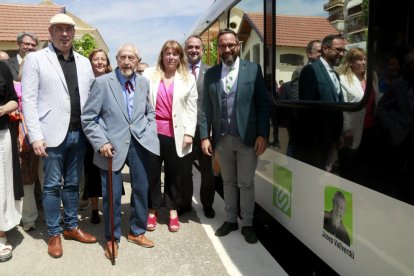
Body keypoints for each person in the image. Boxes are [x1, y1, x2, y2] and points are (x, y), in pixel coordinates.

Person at [21, 13, 97, 259]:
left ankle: (71, 227)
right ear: (51, 32)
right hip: (51, 136)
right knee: (52, 186)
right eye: (60, 29)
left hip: (79, 135)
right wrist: (35, 136)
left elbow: (92, 99)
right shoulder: (36, 59)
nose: (65, 34)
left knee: (73, 185)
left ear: (74, 33)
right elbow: (29, 101)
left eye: (69, 29)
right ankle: (54, 233)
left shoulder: (85, 62)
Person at [82, 43, 159, 259]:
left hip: (140, 144)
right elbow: (89, 118)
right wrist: (101, 142)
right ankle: (112, 238)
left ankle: (137, 231)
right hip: (110, 148)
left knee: (141, 189)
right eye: (123, 57)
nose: (127, 61)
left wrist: (150, 131)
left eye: (131, 57)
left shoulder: (144, 82)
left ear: (137, 60)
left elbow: (150, 112)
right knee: (112, 196)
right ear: (116, 59)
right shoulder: (102, 83)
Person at [199, 28, 269, 244]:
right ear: (218, 48)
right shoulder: (211, 74)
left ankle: (247, 223)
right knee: (228, 181)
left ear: (238, 45)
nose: (227, 49)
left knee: (246, 183)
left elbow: (262, 104)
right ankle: (231, 219)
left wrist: (262, 134)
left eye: (231, 45)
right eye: (222, 46)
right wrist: (204, 136)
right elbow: (205, 109)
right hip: (222, 139)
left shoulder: (253, 70)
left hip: (247, 138)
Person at [144, 40, 197, 233]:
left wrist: (189, 133)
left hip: (177, 134)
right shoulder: (149, 74)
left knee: (175, 175)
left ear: (180, 57)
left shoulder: (188, 79)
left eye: (175, 54)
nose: (171, 57)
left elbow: (192, 109)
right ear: (162, 56)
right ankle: (153, 209)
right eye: (167, 53)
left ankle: (172, 211)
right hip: (152, 133)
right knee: (152, 173)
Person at [293, 34, 346, 170]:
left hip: (330, 140)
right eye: (338, 50)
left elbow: (338, 105)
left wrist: (338, 134)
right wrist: (314, 142)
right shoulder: (310, 70)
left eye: (343, 50)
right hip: (315, 142)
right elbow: (308, 109)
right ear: (325, 49)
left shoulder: (336, 75)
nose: (341, 54)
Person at [182, 34, 215, 218]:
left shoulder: (211, 73)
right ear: (186, 50)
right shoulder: (178, 72)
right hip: (184, 129)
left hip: (205, 130)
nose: (193, 50)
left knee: (207, 171)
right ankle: (185, 203)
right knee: (184, 170)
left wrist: (210, 130)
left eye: (197, 47)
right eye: (190, 47)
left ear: (202, 50)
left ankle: (207, 203)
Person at [337, 48, 378, 182]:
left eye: (365, 59)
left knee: (366, 166)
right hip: (352, 130)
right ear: (350, 62)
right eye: (359, 59)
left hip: (370, 128)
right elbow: (341, 105)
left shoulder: (372, 76)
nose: (363, 62)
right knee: (351, 167)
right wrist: (346, 129)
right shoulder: (343, 79)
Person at [82, 49, 113, 224]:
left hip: (109, 132)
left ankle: (110, 207)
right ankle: (94, 209)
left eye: (103, 59)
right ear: (90, 62)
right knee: (92, 172)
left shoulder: (113, 80)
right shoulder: (85, 80)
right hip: (91, 133)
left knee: (110, 171)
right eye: (96, 59)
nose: (100, 62)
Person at [0, 61, 23, 262]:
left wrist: (2, 109)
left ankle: (0, 233)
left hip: (1, 134)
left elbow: (14, 101)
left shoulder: (2, 67)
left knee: (1, 184)